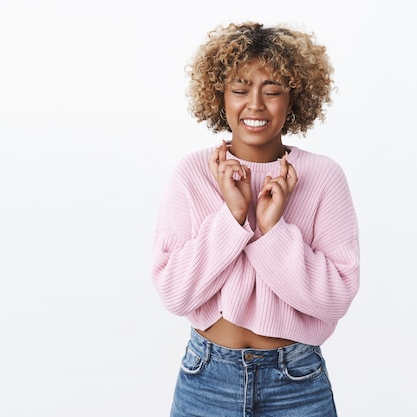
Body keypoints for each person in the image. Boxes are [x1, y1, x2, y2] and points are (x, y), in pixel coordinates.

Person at [151, 22, 359, 417]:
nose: (256, 105)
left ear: (294, 98)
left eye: (274, 90)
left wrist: (273, 230)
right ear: (220, 96)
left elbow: (335, 299)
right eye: (241, 89)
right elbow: (175, 293)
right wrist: (232, 217)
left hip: (297, 384)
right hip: (206, 381)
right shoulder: (191, 174)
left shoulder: (323, 177)